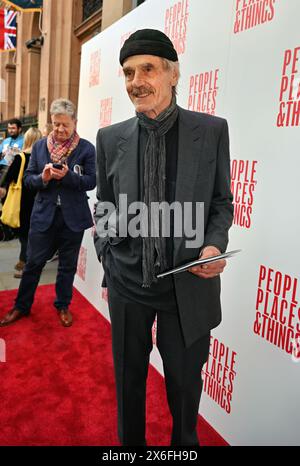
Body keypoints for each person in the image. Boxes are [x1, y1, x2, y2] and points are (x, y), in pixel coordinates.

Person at [93, 29, 234, 446]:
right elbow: (103, 207)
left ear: (173, 74)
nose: (136, 81)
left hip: (187, 289)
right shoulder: (109, 138)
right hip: (127, 288)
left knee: (185, 394)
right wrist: (108, 256)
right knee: (128, 389)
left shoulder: (211, 131)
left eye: (147, 69)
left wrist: (213, 245)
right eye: (128, 72)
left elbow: (222, 202)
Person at [0, 98, 96, 328]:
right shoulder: (41, 146)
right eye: (56, 124)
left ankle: (63, 305)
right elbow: (28, 180)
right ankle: (21, 306)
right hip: (43, 215)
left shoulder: (86, 148)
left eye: (65, 124)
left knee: (67, 266)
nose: (60, 130)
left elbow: (92, 181)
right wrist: (43, 178)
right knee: (33, 263)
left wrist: (69, 177)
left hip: (72, 218)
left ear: (75, 122)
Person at [0, 127, 42, 278]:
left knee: (25, 235)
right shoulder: (43, 158)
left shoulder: (20, 157)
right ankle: (28, 261)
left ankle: (25, 265)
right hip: (39, 200)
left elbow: (8, 177)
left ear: (27, 139)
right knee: (35, 233)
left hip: (22, 201)